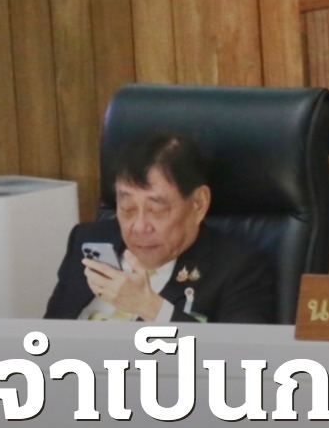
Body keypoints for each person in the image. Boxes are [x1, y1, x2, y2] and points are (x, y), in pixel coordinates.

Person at [45, 132, 275, 323]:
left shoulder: (239, 269)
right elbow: (49, 335)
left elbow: (237, 357)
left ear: (198, 204)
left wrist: (150, 307)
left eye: (157, 209)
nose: (139, 227)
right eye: (127, 207)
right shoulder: (87, 241)